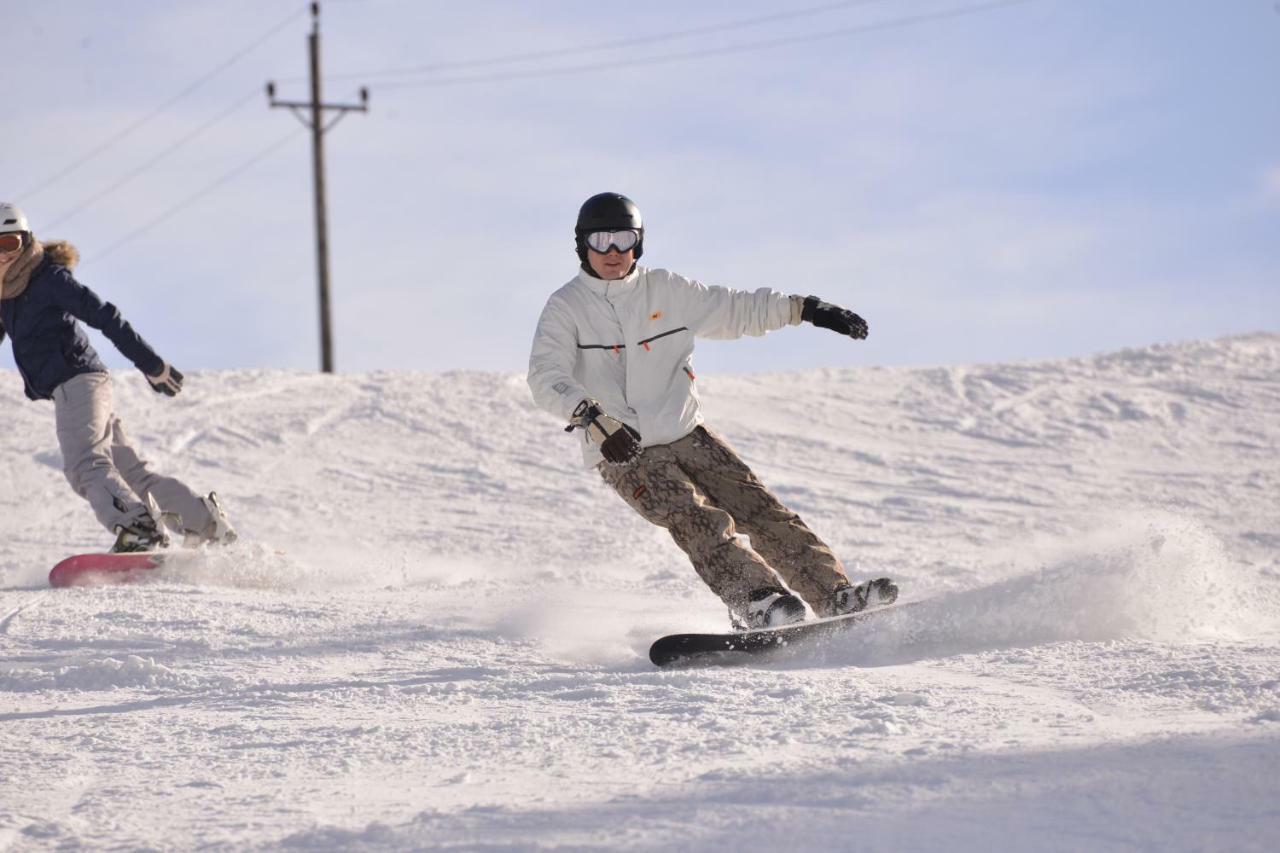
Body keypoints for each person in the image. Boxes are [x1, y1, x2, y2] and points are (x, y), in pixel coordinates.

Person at [528, 192, 895, 629]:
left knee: (761, 509)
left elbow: (736, 309)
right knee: (694, 516)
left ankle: (834, 595)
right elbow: (546, 376)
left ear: (638, 243)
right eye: (601, 239)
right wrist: (591, 416)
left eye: (623, 239)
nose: (613, 252)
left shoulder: (665, 290)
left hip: (686, 429)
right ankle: (759, 600)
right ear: (582, 244)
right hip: (622, 444)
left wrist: (805, 309)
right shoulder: (566, 306)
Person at [0, 202, 235, 553]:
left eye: (9, 244)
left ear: (26, 240)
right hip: (82, 387)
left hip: (78, 383)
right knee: (132, 473)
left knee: (85, 464)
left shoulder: (48, 279)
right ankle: (203, 521)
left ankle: (138, 527)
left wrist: (151, 364)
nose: (3, 256)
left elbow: (105, 316)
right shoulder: (6, 296)